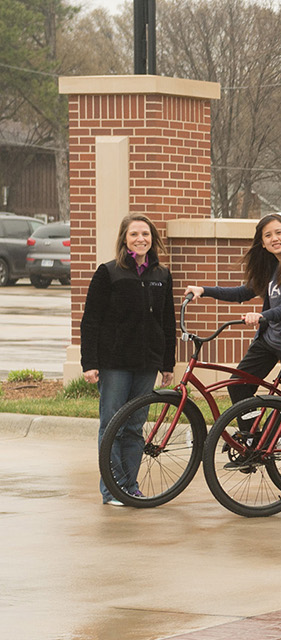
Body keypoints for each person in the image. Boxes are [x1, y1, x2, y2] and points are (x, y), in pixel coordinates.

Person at [185, 214, 281, 507]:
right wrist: (204, 291)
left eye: (279, 232)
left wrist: (263, 315)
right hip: (270, 341)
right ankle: (252, 437)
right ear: (261, 242)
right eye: (268, 236)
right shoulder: (270, 265)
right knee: (238, 385)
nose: (275, 238)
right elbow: (242, 293)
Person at [82, 213, 176, 505]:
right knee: (112, 425)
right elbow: (91, 320)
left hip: (147, 363)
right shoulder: (108, 273)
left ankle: (130, 487)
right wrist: (90, 362)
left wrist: (167, 364)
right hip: (115, 363)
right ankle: (112, 489)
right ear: (124, 239)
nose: (141, 239)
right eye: (134, 234)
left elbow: (167, 321)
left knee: (135, 427)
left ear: (153, 239)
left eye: (146, 234)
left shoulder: (162, 275)